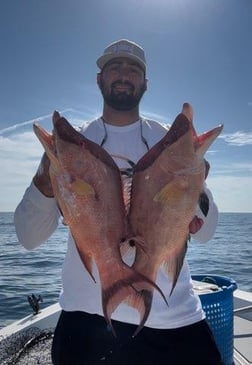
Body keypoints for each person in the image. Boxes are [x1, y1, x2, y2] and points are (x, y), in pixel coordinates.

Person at [14, 39, 224, 365]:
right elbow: (28, 238)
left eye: (134, 68)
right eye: (114, 67)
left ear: (145, 84)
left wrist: (196, 191)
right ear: (99, 79)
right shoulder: (73, 143)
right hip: (87, 316)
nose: (124, 74)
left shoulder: (168, 140)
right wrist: (44, 182)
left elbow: (207, 232)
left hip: (174, 317)